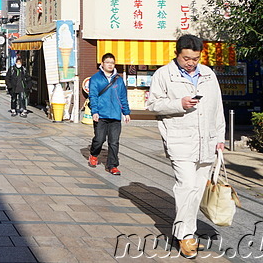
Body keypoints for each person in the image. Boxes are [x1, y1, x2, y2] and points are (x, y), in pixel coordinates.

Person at [146, 34, 226, 259]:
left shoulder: (208, 74)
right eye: (186, 58)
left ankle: (187, 233)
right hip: (179, 140)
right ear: (177, 54)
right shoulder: (164, 74)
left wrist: (220, 136)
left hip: (207, 141)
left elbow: (217, 107)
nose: (191, 63)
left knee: (197, 190)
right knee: (186, 186)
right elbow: (152, 105)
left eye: (195, 58)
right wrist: (178, 104)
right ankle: (184, 235)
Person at [87, 53, 130, 175]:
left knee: (114, 142)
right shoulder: (95, 78)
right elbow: (93, 96)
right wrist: (94, 111)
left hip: (115, 115)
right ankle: (94, 154)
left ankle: (112, 165)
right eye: (107, 62)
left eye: (112, 63)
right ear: (102, 64)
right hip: (101, 115)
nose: (110, 65)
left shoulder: (119, 80)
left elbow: (123, 97)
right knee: (99, 139)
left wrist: (126, 112)